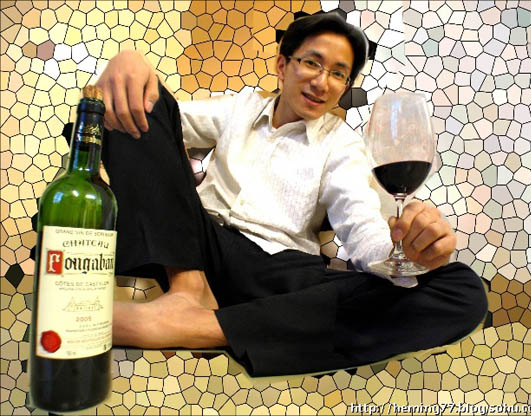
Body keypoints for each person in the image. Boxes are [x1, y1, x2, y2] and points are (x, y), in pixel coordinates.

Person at [97, 12, 487, 376]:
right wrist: (128, 65)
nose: (322, 82)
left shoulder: (342, 146)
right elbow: (157, 117)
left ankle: (203, 326)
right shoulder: (241, 108)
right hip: (197, 247)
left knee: (462, 290)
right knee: (133, 101)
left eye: (338, 74)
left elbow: (362, 227)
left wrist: (405, 252)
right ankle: (187, 289)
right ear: (283, 66)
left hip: (278, 271)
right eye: (312, 63)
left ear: (344, 87)